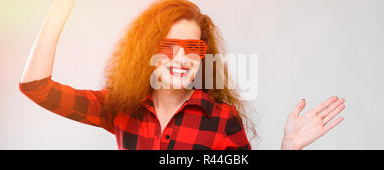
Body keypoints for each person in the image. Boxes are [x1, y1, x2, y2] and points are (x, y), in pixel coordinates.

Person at [19, 0, 346, 150]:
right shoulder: (121, 108)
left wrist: (289, 147)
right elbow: (35, 87)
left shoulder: (220, 118)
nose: (181, 57)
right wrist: (59, 8)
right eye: (168, 46)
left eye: (193, 47)